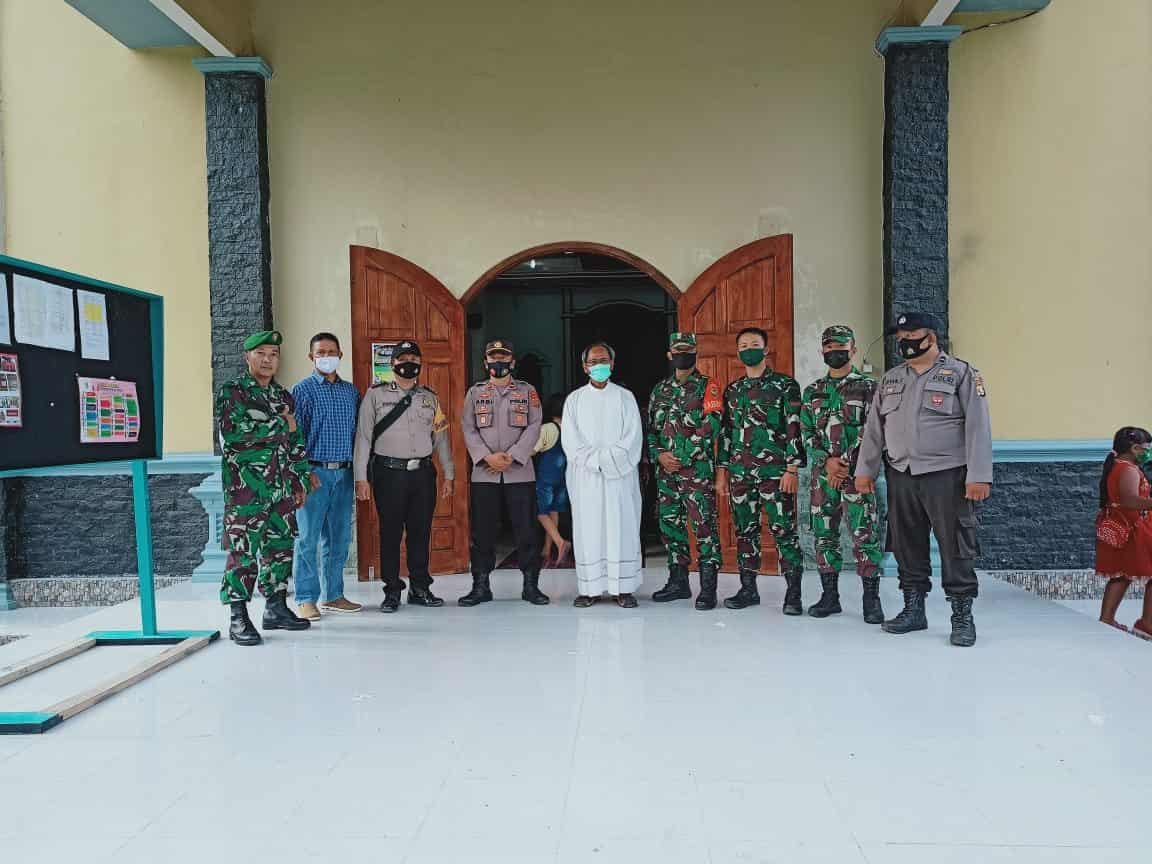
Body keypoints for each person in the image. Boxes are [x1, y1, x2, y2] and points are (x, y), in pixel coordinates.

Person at [855, 311, 992, 647]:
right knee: (906, 544)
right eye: (900, 336)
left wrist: (979, 476)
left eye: (912, 333)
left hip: (947, 474)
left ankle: (962, 616)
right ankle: (913, 609)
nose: (905, 341)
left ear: (931, 335)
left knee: (955, 546)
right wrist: (864, 470)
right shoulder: (890, 379)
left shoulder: (961, 374)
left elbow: (978, 426)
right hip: (901, 472)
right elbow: (875, 430)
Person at [216, 330, 314, 646]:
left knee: (280, 549)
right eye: (261, 354)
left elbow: (296, 441)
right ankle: (238, 616)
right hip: (247, 491)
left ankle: (275, 608)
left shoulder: (283, 396)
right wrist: (281, 425)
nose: (268, 360)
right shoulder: (233, 392)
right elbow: (234, 434)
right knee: (243, 552)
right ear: (248, 358)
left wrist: (300, 478)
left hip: (282, 488)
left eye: (274, 354)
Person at [353, 340, 454, 612]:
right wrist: (360, 477)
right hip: (389, 474)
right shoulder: (375, 395)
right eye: (402, 358)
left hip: (423, 474)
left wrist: (449, 473)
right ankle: (392, 591)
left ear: (420, 364)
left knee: (420, 532)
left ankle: (420, 587)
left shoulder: (430, 398)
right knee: (390, 532)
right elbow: (363, 438)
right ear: (393, 363)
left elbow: (441, 437)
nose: (408, 363)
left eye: (413, 358)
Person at [716, 327, 806, 613]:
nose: (749, 348)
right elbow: (727, 433)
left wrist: (792, 470)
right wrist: (723, 471)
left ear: (766, 350)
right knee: (745, 532)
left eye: (755, 344)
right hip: (742, 475)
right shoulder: (733, 390)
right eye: (744, 345)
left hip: (776, 474)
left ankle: (793, 594)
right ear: (738, 351)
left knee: (784, 533)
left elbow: (794, 428)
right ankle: (748, 589)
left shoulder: (785, 385)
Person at [800, 325, 884, 623]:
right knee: (824, 536)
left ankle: (871, 600)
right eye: (829, 347)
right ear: (822, 351)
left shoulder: (870, 387)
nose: (835, 352)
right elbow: (807, 432)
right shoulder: (812, 391)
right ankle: (829, 597)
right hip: (824, 478)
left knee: (866, 536)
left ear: (853, 350)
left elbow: (873, 430)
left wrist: (844, 461)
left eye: (841, 346)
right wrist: (827, 462)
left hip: (858, 475)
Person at [459, 338, 547, 606]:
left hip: (519, 472)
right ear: (486, 362)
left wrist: (514, 456)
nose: (499, 362)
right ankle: (480, 586)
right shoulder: (474, 392)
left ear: (512, 362)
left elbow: (535, 425)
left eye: (504, 357)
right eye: (493, 357)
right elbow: (468, 427)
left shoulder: (527, 391)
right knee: (482, 532)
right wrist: (487, 457)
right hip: (484, 473)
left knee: (526, 530)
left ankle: (531, 586)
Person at [647, 332, 724, 610]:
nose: (683, 355)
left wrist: (679, 456)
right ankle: (678, 583)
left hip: (697, 472)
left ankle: (708, 589)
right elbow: (652, 432)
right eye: (678, 350)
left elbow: (711, 426)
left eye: (688, 350)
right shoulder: (660, 390)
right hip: (666, 474)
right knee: (671, 526)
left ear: (696, 353)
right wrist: (660, 455)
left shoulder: (708, 387)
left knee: (703, 527)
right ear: (670, 355)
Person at [565, 341, 644, 607]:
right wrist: (596, 462)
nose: (599, 366)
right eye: (593, 361)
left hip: (620, 478)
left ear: (612, 364)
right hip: (586, 478)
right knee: (589, 530)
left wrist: (608, 462)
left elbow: (633, 438)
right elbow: (571, 442)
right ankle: (591, 588)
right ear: (584, 366)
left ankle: (623, 589)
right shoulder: (574, 400)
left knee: (622, 527)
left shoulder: (625, 397)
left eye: (603, 361)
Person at [290, 332, 362, 620]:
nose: (326, 356)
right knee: (307, 538)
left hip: (343, 473)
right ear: (311, 357)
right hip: (314, 473)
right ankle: (306, 597)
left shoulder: (351, 393)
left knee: (339, 538)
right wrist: (304, 471)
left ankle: (334, 595)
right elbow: (295, 435)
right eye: (321, 352)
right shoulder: (303, 390)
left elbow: (358, 434)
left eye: (332, 351)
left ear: (341, 355)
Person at [1095, 426, 1152, 638]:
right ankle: (1147, 624)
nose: (1147, 452)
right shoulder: (1128, 469)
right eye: (1144, 448)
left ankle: (1107, 619)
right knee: (1126, 574)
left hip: (1123, 527)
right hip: (1132, 529)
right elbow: (1130, 500)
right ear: (1133, 448)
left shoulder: (1118, 465)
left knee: (1121, 574)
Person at [534, 393, 570, 567]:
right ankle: (547, 550)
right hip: (563, 475)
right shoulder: (570, 428)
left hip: (546, 476)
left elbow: (534, 448)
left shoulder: (548, 428)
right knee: (554, 511)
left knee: (540, 511)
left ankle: (560, 542)